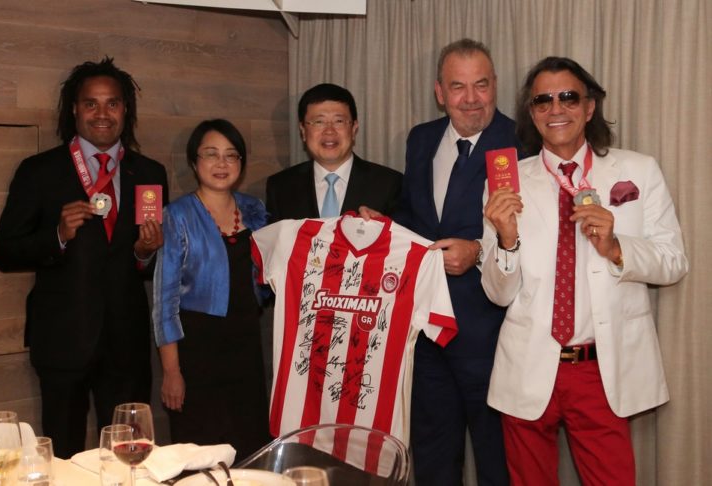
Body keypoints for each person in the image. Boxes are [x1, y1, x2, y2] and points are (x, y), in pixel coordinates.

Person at [481, 57, 688, 485]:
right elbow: (498, 293)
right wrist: (506, 239)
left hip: (601, 367)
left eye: (568, 97)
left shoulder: (638, 170)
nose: (556, 108)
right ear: (532, 113)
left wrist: (616, 248)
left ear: (589, 107)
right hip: (527, 363)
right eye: (543, 100)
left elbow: (673, 262)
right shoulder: (506, 183)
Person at [0, 57, 168, 458]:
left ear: (125, 109)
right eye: (91, 103)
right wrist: (57, 235)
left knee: (128, 456)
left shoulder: (149, 173)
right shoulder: (39, 171)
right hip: (62, 341)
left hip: (126, 344)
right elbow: (4, 251)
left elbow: (155, 265)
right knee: (63, 456)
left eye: (112, 103)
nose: (102, 114)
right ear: (74, 109)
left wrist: (145, 254)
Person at [393, 39, 520, 485]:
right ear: (439, 92)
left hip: (492, 333)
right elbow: (413, 216)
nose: (471, 99)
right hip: (427, 331)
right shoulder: (421, 139)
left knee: (496, 459)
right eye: (458, 87)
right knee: (433, 456)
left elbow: (536, 233)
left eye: (481, 85)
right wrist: (383, 230)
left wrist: (479, 250)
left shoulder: (521, 141)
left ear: (495, 85)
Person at [153, 119, 271, 461]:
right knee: (199, 456)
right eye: (211, 154)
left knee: (249, 452)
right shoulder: (176, 215)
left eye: (231, 155)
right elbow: (164, 302)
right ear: (194, 162)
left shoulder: (255, 210)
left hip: (246, 349)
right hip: (197, 354)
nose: (222, 163)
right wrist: (172, 372)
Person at [265, 83, 401, 222]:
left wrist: (384, 227)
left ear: (354, 129)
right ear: (303, 131)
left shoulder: (390, 184)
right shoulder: (280, 187)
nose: (329, 131)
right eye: (319, 122)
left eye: (339, 121)